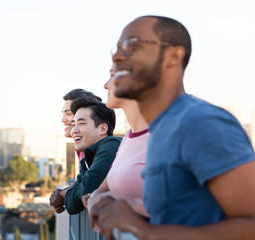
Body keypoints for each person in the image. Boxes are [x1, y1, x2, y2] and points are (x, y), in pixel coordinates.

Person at [91, 15, 255, 240]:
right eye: (116, 50)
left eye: (132, 45)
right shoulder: (162, 129)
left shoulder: (201, 122)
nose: (118, 57)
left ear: (173, 56)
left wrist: (148, 233)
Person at [83, 64, 149, 218]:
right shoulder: (127, 138)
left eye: (112, 75)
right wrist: (95, 200)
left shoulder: (165, 136)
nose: (106, 85)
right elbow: (103, 189)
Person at [57, 96, 121, 214]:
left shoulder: (111, 147)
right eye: (73, 124)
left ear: (102, 129)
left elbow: (85, 191)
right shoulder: (89, 157)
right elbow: (73, 203)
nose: (74, 130)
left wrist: (64, 195)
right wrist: (69, 194)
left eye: (81, 123)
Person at [50, 89, 102, 213]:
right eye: (63, 113)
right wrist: (63, 192)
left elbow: (88, 188)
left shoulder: (100, 148)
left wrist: (63, 194)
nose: (63, 119)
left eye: (68, 114)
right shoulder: (82, 148)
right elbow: (83, 181)